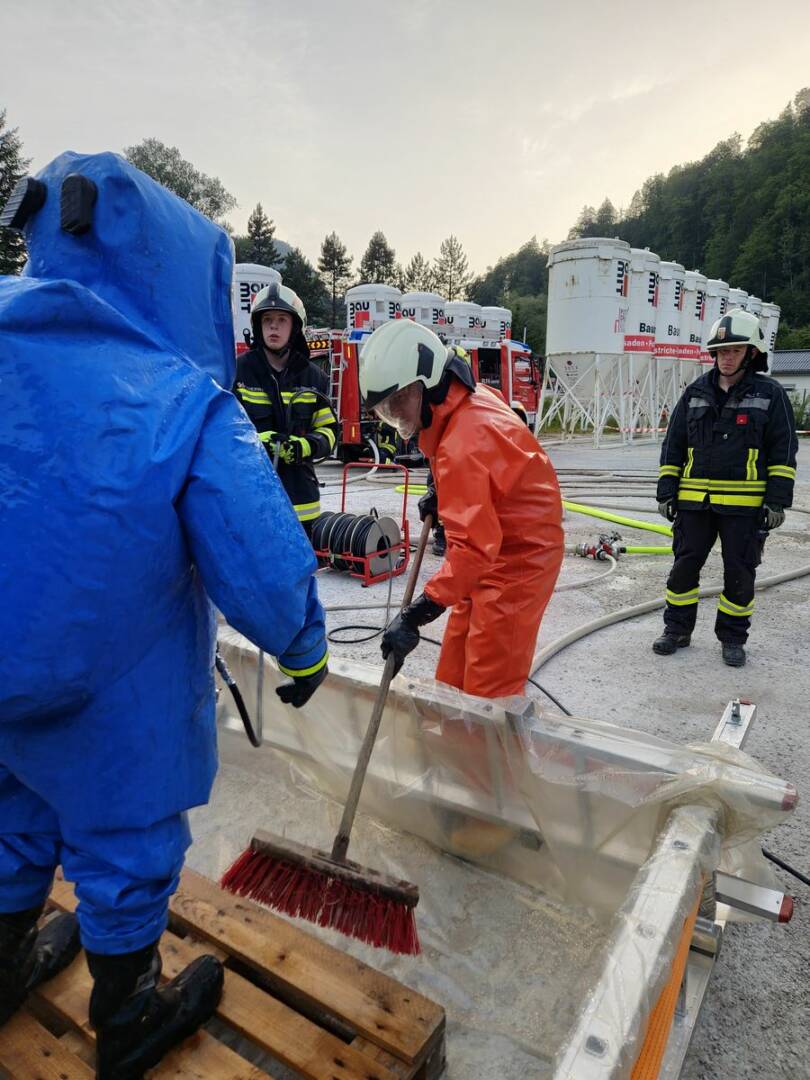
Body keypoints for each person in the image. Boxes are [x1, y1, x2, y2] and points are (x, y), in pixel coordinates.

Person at [0, 153, 328, 1078]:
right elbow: (256, 548)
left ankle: (4, 967)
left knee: (10, 814)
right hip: (118, 688)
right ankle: (129, 1013)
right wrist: (303, 645)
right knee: (124, 838)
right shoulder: (181, 396)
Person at [358, 320, 564, 698]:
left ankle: (486, 737)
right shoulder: (460, 400)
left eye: (399, 401)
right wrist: (440, 489)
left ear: (423, 384)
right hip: (493, 541)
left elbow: (473, 550)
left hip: (519, 558)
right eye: (387, 408)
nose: (397, 414)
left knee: (488, 687)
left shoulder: (463, 443)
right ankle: (453, 731)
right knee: (453, 673)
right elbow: (480, 468)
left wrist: (415, 615)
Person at [654, 308, 798, 667]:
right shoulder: (695, 392)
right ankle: (676, 630)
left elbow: (783, 451)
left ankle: (733, 638)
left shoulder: (770, 394)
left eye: (734, 350)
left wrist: (776, 501)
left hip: (744, 507)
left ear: (751, 353)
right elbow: (673, 446)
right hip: (694, 504)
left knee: (739, 573)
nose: (726, 358)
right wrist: (667, 492)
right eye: (720, 352)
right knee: (683, 568)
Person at [234, 284, 339, 535]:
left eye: (282, 319)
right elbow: (223, 431)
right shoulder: (238, 373)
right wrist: (258, 442)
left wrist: (303, 447)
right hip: (250, 500)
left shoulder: (314, 377)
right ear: (257, 326)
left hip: (302, 505)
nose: (273, 326)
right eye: (267, 319)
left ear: (295, 327)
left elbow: (329, 432)